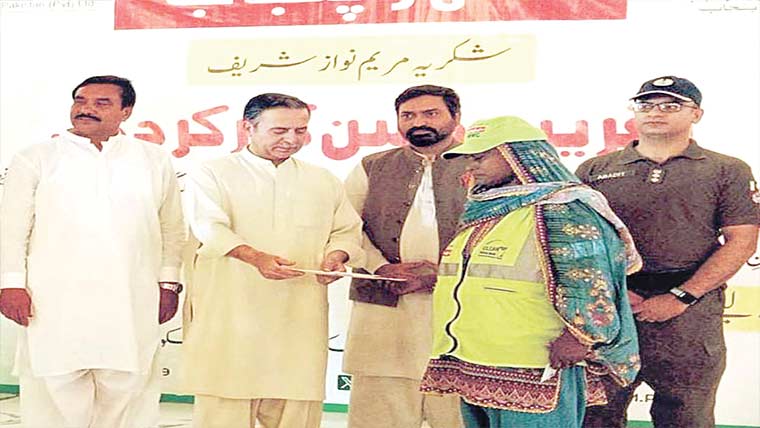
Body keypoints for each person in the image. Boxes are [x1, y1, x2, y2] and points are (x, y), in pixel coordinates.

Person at [420, 115, 642, 428]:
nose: (472, 166)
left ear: (518, 155)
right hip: (475, 359)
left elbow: (590, 278)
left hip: (537, 362)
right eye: (470, 158)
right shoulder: (486, 208)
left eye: (481, 157)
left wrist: (581, 335)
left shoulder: (562, 207)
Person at [0, 75, 186, 428]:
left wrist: (168, 284)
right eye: (81, 101)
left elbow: (172, 228)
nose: (86, 109)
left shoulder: (153, 159)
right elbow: (12, 228)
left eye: (102, 103)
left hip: (131, 296)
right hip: (54, 298)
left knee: (129, 384)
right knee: (54, 382)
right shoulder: (36, 158)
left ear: (126, 111)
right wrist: (11, 284)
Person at [577, 76, 760, 428]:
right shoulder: (595, 170)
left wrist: (681, 296)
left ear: (697, 114)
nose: (656, 112)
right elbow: (579, 243)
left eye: (671, 105)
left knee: (686, 417)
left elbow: (742, 240)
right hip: (611, 310)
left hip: (688, 316)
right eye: (645, 105)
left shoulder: (726, 170)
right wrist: (615, 293)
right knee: (595, 417)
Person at [180, 92, 364, 428]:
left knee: (296, 404)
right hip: (232, 310)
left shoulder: (322, 179)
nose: (291, 139)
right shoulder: (213, 173)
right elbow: (209, 228)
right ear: (247, 127)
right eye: (279, 131)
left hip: (299, 313)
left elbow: (347, 231)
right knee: (226, 399)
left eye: (300, 131)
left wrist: (336, 257)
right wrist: (256, 258)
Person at [341, 84, 468, 428]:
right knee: (379, 411)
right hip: (385, 308)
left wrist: (442, 275)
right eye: (408, 115)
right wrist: (381, 267)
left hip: (459, 306)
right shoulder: (373, 166)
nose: (418, 122)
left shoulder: (481, 165)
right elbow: (344, 226)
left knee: (455, 412)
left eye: (431, 113)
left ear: (456, 117)